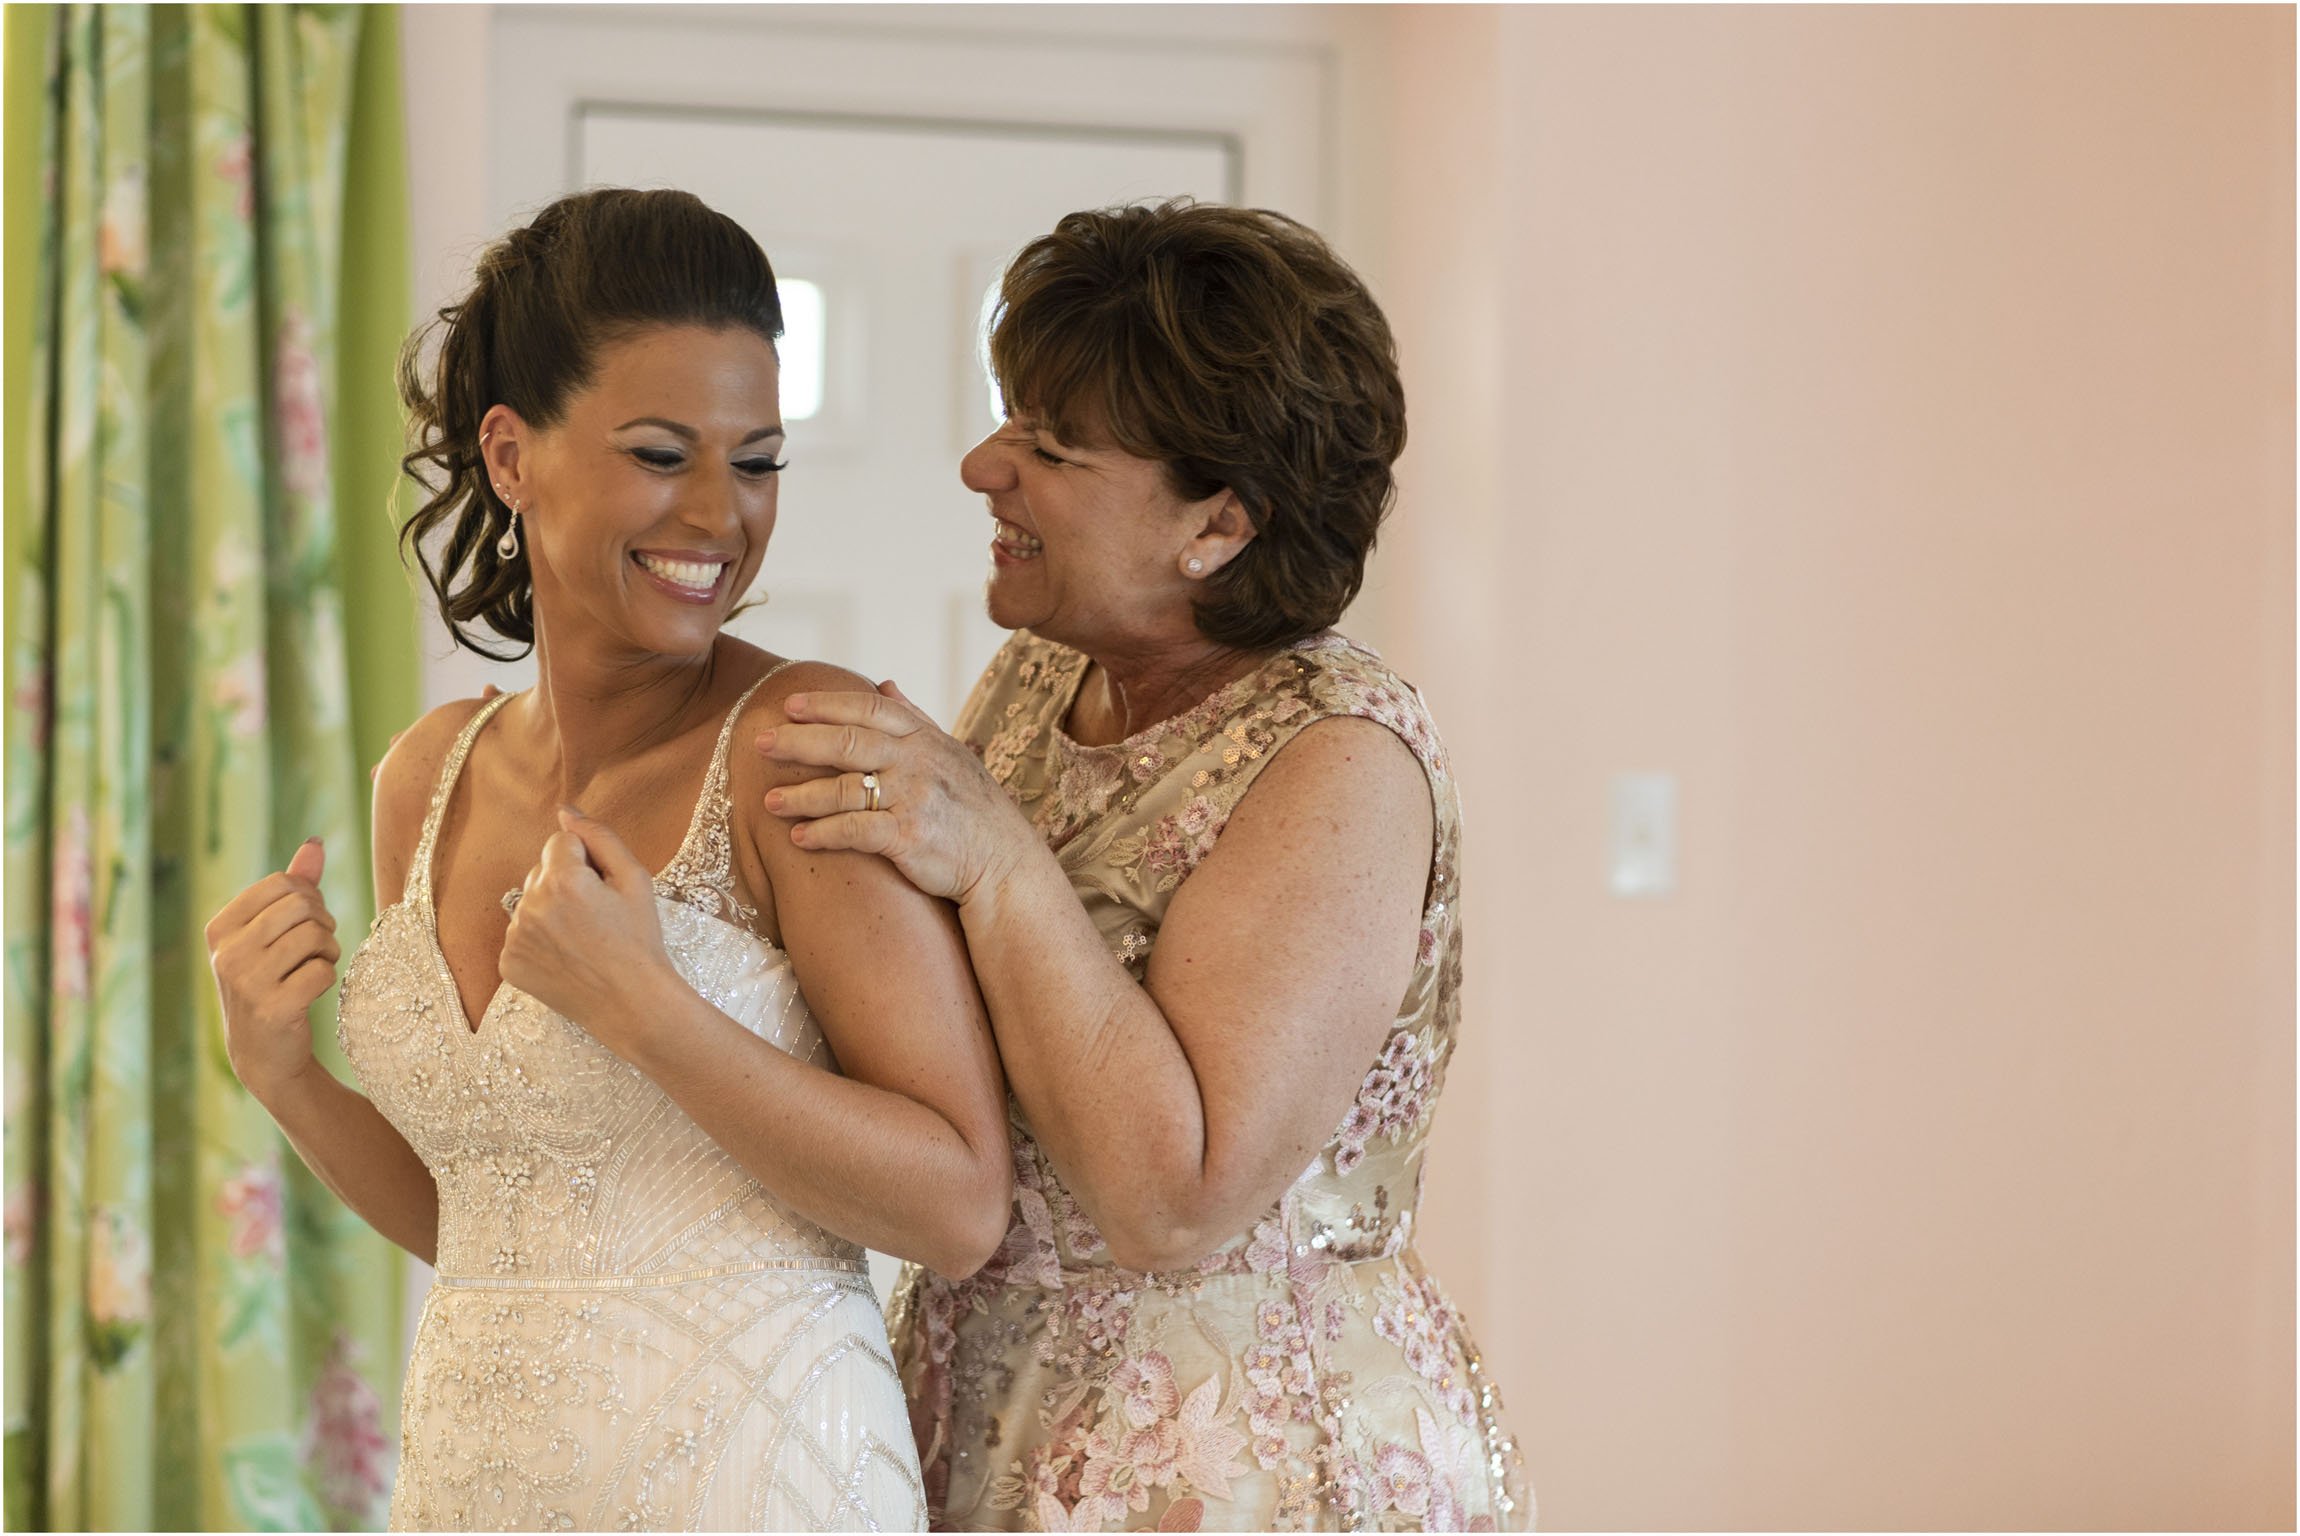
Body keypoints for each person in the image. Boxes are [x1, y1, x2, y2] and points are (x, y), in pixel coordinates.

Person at [202, 187, 1011, 1532]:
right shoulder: (429, 779)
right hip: (478, 1486)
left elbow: (960, 1203)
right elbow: (492, 1224)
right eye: (660, 454)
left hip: (757, 1486)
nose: (720, 516)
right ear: (510, 454)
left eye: (756, 463)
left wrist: (649, 1011)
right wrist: (283, 1074)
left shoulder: (797, 746)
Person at [758, 201, 1531, 1531]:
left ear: (1217, 526)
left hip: (1235, 1463)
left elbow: (1174, 1202)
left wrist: (998, 860)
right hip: (984, 1399)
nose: (982, 468)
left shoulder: (1338, 758)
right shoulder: (1039, 676)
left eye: (1049, 448)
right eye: (1008, 421)